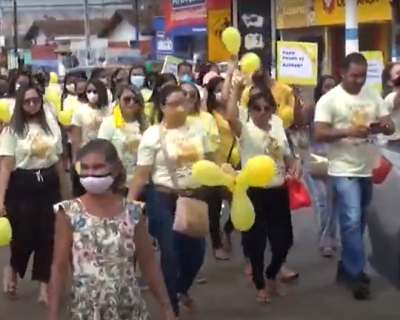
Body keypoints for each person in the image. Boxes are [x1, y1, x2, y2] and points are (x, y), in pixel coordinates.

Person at [48, 139, 176, 320]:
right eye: (85, 168)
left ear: (115, 169)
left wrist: (167, 308)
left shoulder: (133, 212)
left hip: (128, 307)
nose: (90, 174)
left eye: (97, 167)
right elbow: (59, 267)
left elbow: (149, 264)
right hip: (87, 310)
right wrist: (53, 314)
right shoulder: (68, 212)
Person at [314, 52, 395, 300]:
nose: (359, 80)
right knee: (351, 220)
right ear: (342, 72)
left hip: (366, 166)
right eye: (354, 76)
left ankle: (347, 267)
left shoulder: (371, 95)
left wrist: (382, 126)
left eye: (362, 76)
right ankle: (357, 273)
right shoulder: (329, 100)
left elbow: (389, 123)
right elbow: (320, 133)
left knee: (357, 223)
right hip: (342, 168)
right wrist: (348, 131)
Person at [127, 85, 212, 317]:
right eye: (173, 104)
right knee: (171, 254)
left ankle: (181, 290)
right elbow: (142, 174)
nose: (180, 108)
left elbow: (211, 160)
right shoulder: (153, 135)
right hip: (164, 198)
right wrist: (128, 204)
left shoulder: (197, 128)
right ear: (162, 107)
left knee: (196, 254)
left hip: (193, 197)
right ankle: (170, 309)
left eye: (183, 102)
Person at [225, 78, 298, 304]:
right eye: (257, 108)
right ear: (250, 110)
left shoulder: (277, 124)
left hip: (278, 190)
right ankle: (260, 284)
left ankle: (272, 273)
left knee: (284, 240)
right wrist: (236, 89)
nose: (262, 112)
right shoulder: (245, 129)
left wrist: (294, 163)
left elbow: (286, 153)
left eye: (267, 108)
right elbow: (230, 117)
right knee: (255, 241)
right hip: (253, 192)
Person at [0, 84, 68, 303]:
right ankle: (12, 269)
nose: (31, 105)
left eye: (35, 101)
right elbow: (5, 167)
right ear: (20, 104)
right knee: (23, 237)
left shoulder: (51, 126)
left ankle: (44, 286)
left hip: (48, 185)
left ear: (41, 102)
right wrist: (0, 200)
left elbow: (59, 162)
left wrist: (68, 195)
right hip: (21, 187)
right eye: (26, 101)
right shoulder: (12, 130)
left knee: (47, 237)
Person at [302, 75, 338, 257]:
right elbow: (299, 122)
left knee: (333, 200)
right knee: (323, 200)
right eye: (326, 87)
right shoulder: (312, 108)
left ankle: (331, 236)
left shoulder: (341, 109)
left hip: (336, 159)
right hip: (316, 159)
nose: (330, 90)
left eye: (333, 86)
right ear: (320, 90)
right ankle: (325, 240)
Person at [70, 78, 112, 196]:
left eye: (95, 91)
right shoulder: (80, 111)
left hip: (105, 154)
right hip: (85, 155)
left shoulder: (109, 110)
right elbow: (76, 139)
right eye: (89, 91)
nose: (92, 94)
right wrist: (75, 161)